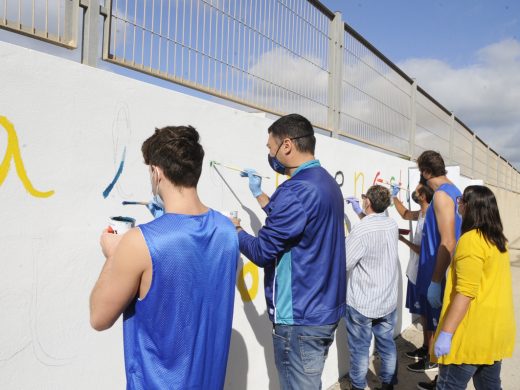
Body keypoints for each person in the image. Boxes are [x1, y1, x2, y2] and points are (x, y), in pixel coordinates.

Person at [89, 126, 239, 389]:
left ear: (156, 172)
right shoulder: (227, 230)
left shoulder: (140, 242)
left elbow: (99, 318)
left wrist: (114, 255)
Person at [232, 113, 346, 390]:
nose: (270, 155)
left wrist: (235, 231)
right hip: (322, 309)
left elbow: (262, 251)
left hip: (300, 319)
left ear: (286, 145)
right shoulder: (326, 183)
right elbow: (297, 223)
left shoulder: (295, 191)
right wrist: (261, 196)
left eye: (270, 148)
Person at [432, 185, 515, 389]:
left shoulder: (471, 241)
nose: (458, 204)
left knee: (449, 385)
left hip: (470, 334)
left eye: (461, 200)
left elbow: (466, 292)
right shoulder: (497, 240)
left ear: (470, 207)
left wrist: (447, 333)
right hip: (493, 333)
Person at [414, 150, 462, 389]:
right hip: (446, 272)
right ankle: (443, 380)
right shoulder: (455, 191)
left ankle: (446, 383)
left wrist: (434, 281)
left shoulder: (442, 196)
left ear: (425, 172)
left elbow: (448, 241)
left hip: (441, 274)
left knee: (443, 329)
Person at [344, 185, 399, 390]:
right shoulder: (391, 224)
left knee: (359, 350)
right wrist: (359, 212)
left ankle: (358, 387)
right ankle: (388, 385)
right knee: (387, 345)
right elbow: (373, 227)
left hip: (363, 302)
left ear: (367, 201)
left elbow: (346, 262)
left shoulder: (362, 229)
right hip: (387, 300)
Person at [392, 182, 435, 369]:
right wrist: (394, 197)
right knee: (424, 314)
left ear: (424, 195)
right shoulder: (422, 213)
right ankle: (425, 348)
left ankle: (432, 359)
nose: (413, 193)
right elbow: (405, 214)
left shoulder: (431, 217)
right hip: (416, 271)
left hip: (426, 272)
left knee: (431, 317)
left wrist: (402, 240)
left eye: (416, 191)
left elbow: (423, 249)